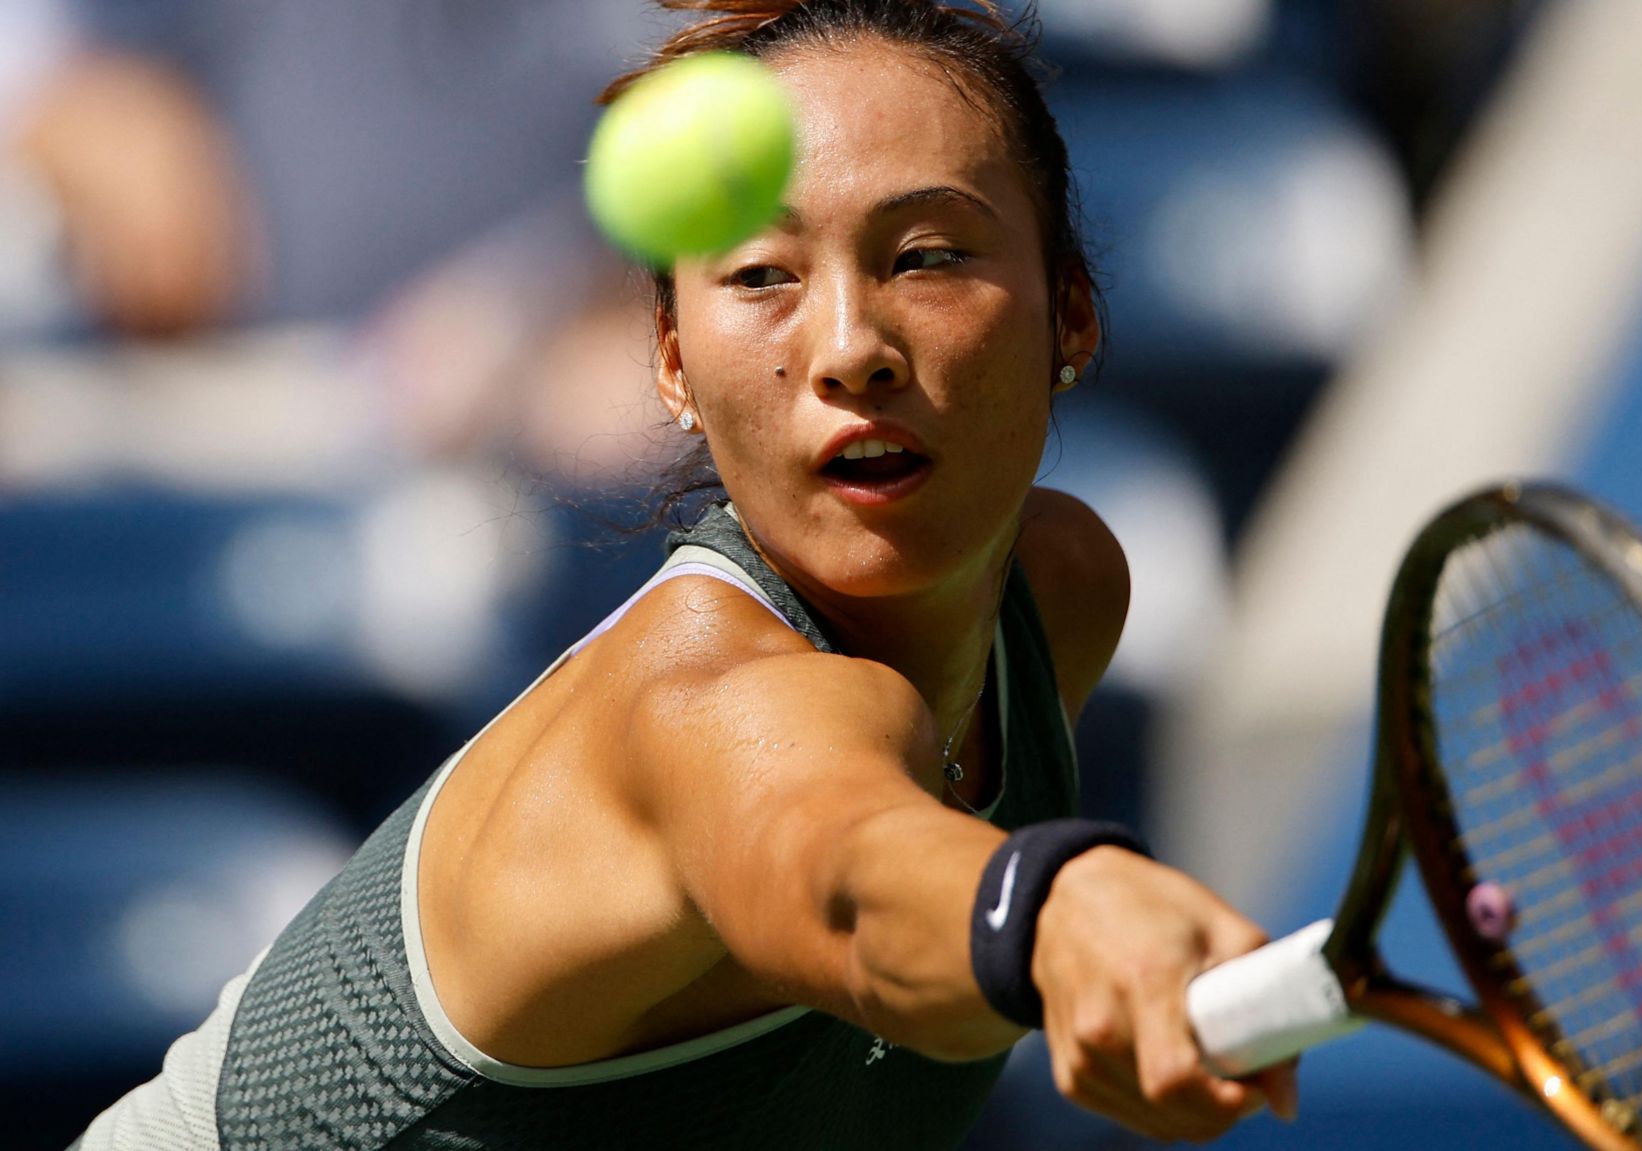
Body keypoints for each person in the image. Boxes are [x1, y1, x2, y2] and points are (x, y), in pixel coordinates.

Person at [71, 1, 1298, 1146]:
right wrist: (1053, 912)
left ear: (1070, 314)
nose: (848, 348)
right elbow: (841, 868)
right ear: (670, 362)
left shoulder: (1062, 589)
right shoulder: (696, 703)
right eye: (762, 276)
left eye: (925, 255)